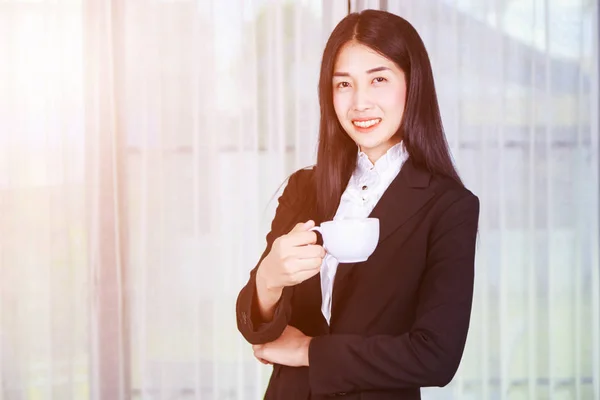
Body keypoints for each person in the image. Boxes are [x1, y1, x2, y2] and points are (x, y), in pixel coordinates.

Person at [235, 9, 480, 400]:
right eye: (343, 84)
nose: (359, 103)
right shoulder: (305, 187)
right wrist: (269, 279)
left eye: (378, 79)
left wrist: (308, 351)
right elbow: (256, 331)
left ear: (412, 85)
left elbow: (436, 355)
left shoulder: (449, 207)